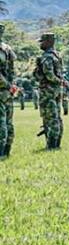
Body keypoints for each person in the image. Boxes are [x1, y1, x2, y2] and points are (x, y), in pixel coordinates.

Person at [33, 33, 64, 150]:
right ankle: (56, 142)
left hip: (48, 90)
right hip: (56, 90)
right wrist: (60, 82)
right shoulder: (57, 55)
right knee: (56, 116)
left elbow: (49, 74)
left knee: (50, 117)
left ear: (48, 42)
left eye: (42, 42)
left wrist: (58, 81)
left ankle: (52, 144)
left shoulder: (46, 56)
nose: (41, 44)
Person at [0, 24, 15, 158]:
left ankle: (1, 152)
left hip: (2, 88)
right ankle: (7, 150)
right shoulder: (7, 48)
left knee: (2, 122)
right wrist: (11, 85)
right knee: (8, 121)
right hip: (7, 91)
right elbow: (12, 71)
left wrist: (7, 84)